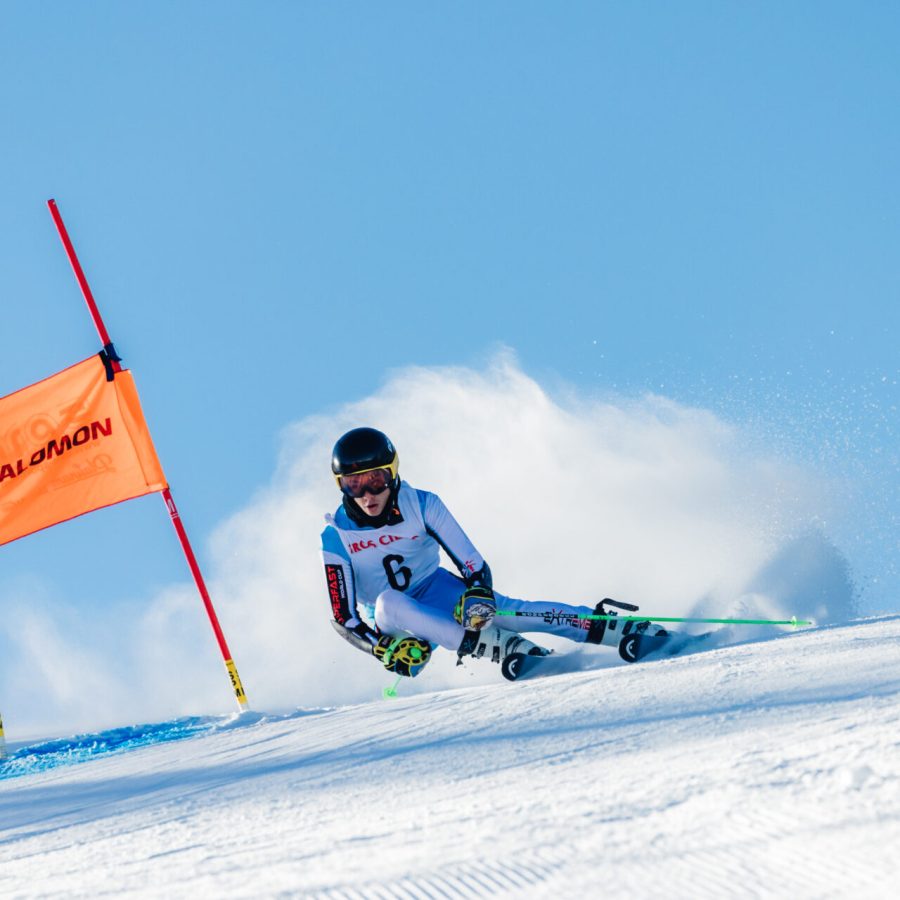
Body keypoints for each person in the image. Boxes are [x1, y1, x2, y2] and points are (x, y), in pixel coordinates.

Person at [320, 427, 669, 681]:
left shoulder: (423, 504)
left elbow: (473, 564)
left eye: (376, 480)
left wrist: (477, 595)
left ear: (393, 474)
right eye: (354, 484)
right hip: (397, 628)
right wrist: (379, 646)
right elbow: (343, 616)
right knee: (387, 601)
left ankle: (610, 628)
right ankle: (497, 646)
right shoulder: (336, 535)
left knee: (508, 611)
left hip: (435, 590)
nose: (368, 495)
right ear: (342, 487)